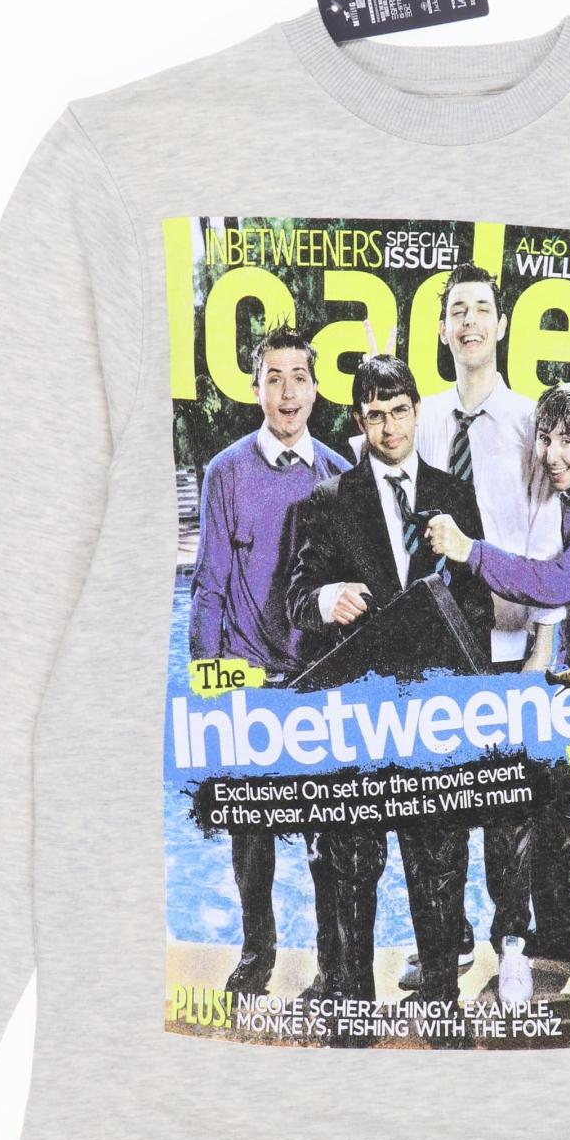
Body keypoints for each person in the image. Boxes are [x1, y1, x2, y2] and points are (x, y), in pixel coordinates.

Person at [287, 355, 492, 1029]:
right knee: (350, 864)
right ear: (359, 420)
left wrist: (462, 693)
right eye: (374, 415)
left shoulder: (454, 494)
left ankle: (440, 1003)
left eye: (399, 411)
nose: (389, 426)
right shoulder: (325, 502)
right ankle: (352, 1008)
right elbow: (296, 600)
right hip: (358, 723)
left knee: (441, 865)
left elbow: (478, 605)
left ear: (416, 412)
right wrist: (327, 598)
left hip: (432, 721)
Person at [425, 381, 570, 932]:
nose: (551, 455)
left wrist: (469, 550)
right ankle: (564, 932)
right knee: (545, 811)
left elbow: (559, 581)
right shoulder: (565, 492)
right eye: (545, 438)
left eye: (566, 441)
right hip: (569, 687)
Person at [415, 265, 562, 1007]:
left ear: (501, 326)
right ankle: (447, 939)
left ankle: (512, 947)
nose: (469, 320)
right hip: (442, 652)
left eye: (481, 309)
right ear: (443, 329)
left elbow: (548, 533)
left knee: (509, 814)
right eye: (457, 310)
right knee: (438, 810)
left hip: (509, 649)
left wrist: (543, 649)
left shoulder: (532, 424)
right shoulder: (424, 421)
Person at [187, 326, 349, 997]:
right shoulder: (225, 473)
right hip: (249, 681)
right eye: (274, 378)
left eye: (299, 378)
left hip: (314, 685)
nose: (287, 392)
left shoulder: (339, 474)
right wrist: (208, 682)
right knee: (249, 835)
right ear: (255, 389)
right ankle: (257, 954)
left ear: (316, 389)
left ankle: (334, 965)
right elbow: (209, 588)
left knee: (328, 838)